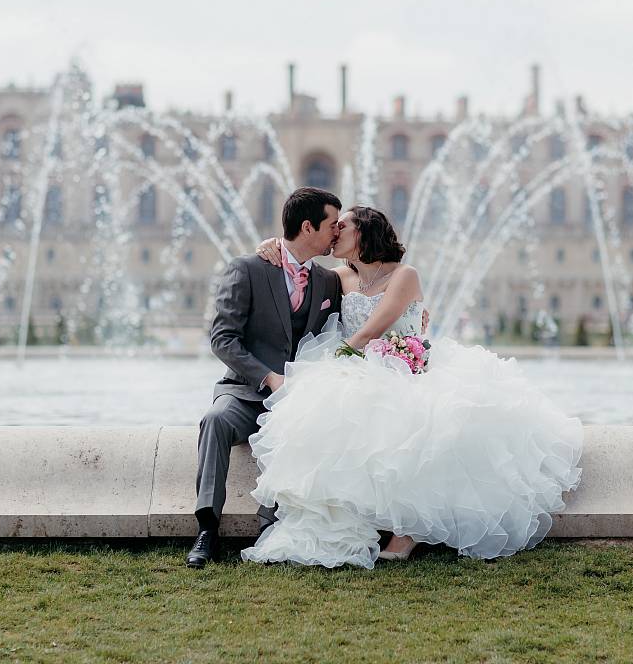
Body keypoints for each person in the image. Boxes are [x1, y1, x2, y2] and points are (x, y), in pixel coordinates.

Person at [240, 206, 582, 568]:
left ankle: (408, 531)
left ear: (365, 233)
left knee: (417, 420)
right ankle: (358, 518)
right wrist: (273, 245)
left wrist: (340, 358)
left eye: (343, 226)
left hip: (406, 369)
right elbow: (298, 268)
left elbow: (374, 328)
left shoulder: (405, 275)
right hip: (362, 368)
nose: (335, 233)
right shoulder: (338, 277)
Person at [186, 187, 344, 568]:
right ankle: (207, 528)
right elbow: (223, 338)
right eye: (332, 225)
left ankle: (270, 526)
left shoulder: (328, 282)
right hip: (245, 392)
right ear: (308, 227)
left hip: (300, 399)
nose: (337, 233)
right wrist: (268, 378)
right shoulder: (248, 269)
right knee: (215, 420)